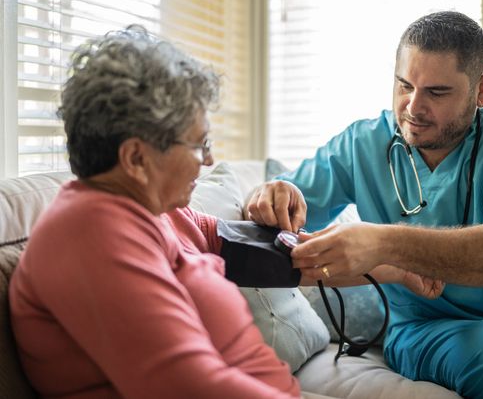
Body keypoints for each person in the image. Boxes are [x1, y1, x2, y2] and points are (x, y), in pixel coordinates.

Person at [246, 11, 483, 399]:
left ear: (481, 91)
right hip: (428, 325)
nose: (413, 107)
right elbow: (281, 219)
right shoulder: (360, 145)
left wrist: (383, 243)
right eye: (404, 86)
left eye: (437, 92)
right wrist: (269, 194)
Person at [9, 26, 301, 399]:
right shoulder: (90, 236)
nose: (209, 160)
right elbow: (189, 386)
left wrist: (327, 247)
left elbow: (222, 237)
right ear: (136, 158)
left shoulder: (156, 211)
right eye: (200, 144)